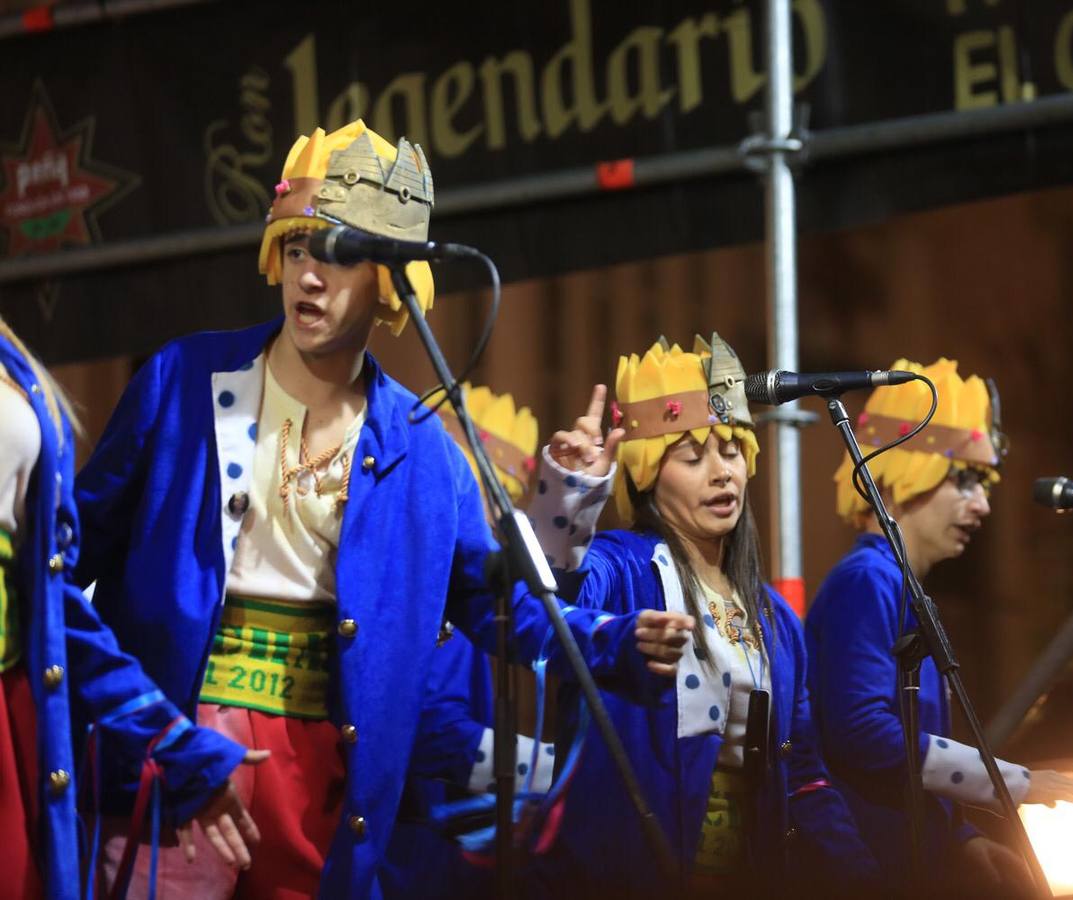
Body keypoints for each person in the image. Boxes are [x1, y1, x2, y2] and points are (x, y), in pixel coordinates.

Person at [73, 121, 691, 899]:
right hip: (181, 751)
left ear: (392, 281)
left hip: (325, 778)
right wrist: (137, 726)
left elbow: (495, 604)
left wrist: (611, 636)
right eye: (297, 249)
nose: (309, 276)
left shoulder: (425, 450)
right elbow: (65, 564)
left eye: (338, 254)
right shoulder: (181, 381)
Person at [532, 335, 878, 898]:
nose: (722, 473)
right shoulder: (621, 572)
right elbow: (553, 590)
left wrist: (867, 879)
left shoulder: (777, 621)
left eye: (733, 451)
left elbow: (807, 777)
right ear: (645, 474)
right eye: (693, 457)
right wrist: (569, 495)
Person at [805, 358, 1073, 897]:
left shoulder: (887, 581)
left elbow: (895, 764)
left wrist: (958, 839)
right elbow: (861, 735)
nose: (983, 504)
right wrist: (1014, 783)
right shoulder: (869, 579)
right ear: (900, 472)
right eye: (964, 480)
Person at [0, 317, 263, 899]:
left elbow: (51, 597)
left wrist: (166, 734)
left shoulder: (10, 360)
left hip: (16, 710)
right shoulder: (176, 375)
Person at [379, 382, 620, 898]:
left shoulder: (466, 579)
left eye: (505, 500)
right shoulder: (421, 579)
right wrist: (558, 772)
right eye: (485, 495)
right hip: (404, 853)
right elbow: (431, 732)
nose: (491, 516)